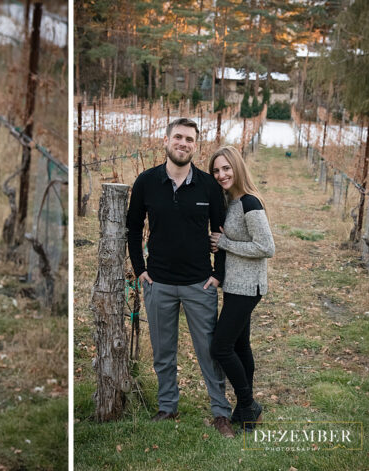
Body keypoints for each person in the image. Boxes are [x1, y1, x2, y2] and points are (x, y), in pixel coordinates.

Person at [126, 118, 234, 437]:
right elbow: (133, 229)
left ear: (195, 146)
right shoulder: (146, 182)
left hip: (199, 284)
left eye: (189, 139)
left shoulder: (208, 186)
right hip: (157, 282)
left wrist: (218, 274)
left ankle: (220, 413)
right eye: (178, 137)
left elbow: (221, 232)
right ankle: (167, 406)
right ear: (166, 141)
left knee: (209, 351)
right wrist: (140, 270)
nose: (183, 143)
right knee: (163, 350)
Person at [208, 146, 275, 433]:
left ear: (237, 167)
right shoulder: (229, 201)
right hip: (235, 285)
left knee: (221, 347)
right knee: (239, 345)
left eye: (226, 168)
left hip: (248, 287)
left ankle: (248, 405)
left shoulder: (249, 203)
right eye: (216, 170)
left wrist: (225, 244)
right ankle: (243, 408)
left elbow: (266, 247)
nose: (221, 174)